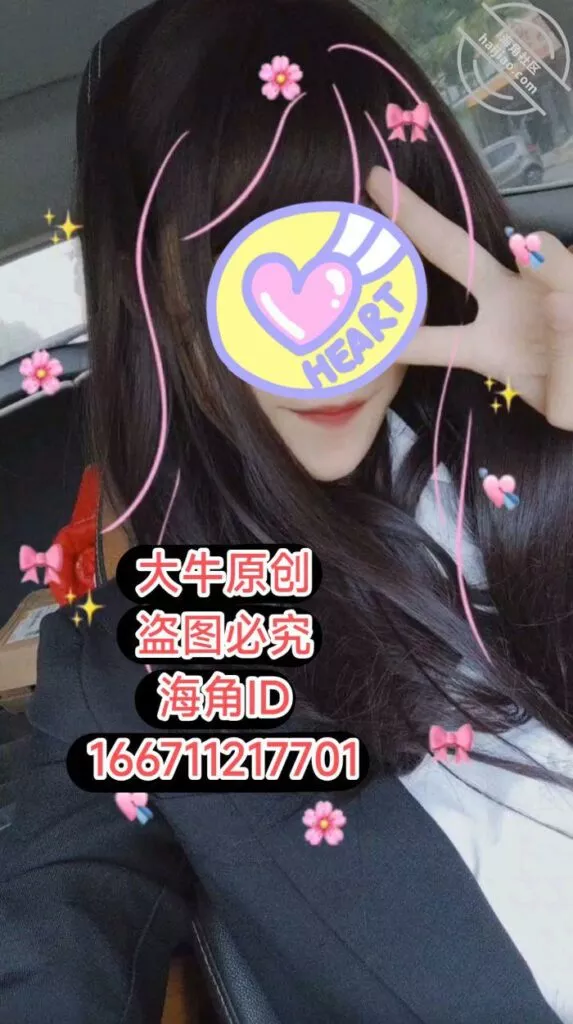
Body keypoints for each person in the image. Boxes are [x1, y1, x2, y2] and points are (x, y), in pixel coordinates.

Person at [2, 0, 573, 1021]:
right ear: (154, 301)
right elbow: (55, 943)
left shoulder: (543, 458)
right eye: (231, 267)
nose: (318, 341)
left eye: (358, 248)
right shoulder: (139, 665)